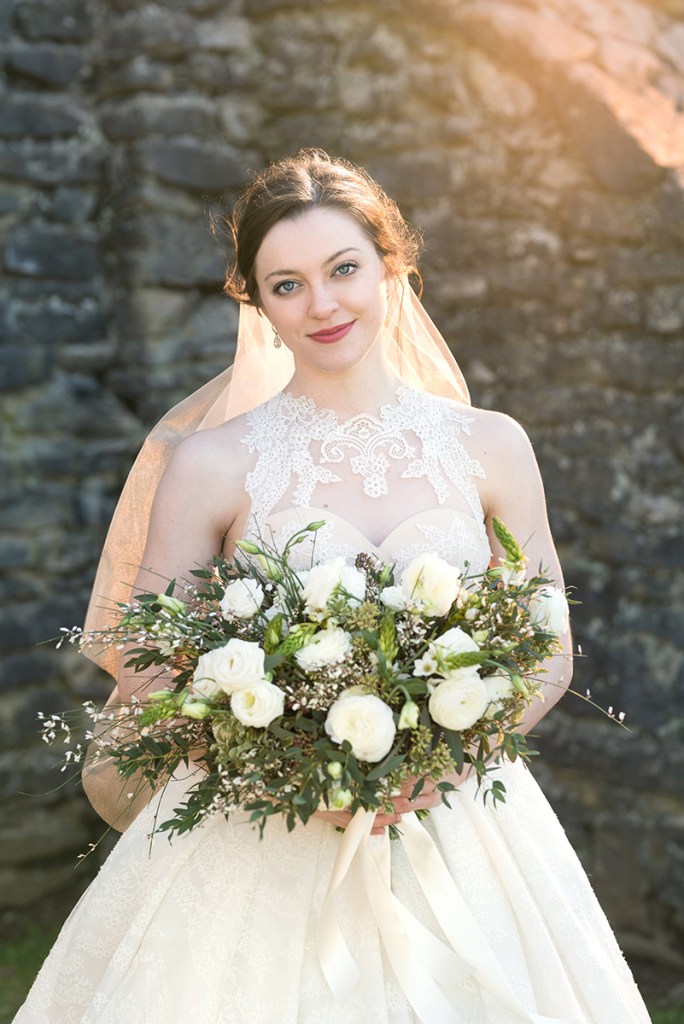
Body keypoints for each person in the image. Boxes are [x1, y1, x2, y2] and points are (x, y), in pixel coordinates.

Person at [14, 149, 651, 1023]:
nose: (322, 305)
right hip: (264, 831)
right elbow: (153, 660)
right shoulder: (211, 464)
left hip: (457, 821)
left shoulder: (492, 446)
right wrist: (284, 763)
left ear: (392, 265)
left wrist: (446, 760)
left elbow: (547, 645)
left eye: (343, 269)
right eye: (286, 284)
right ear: (256, 302)